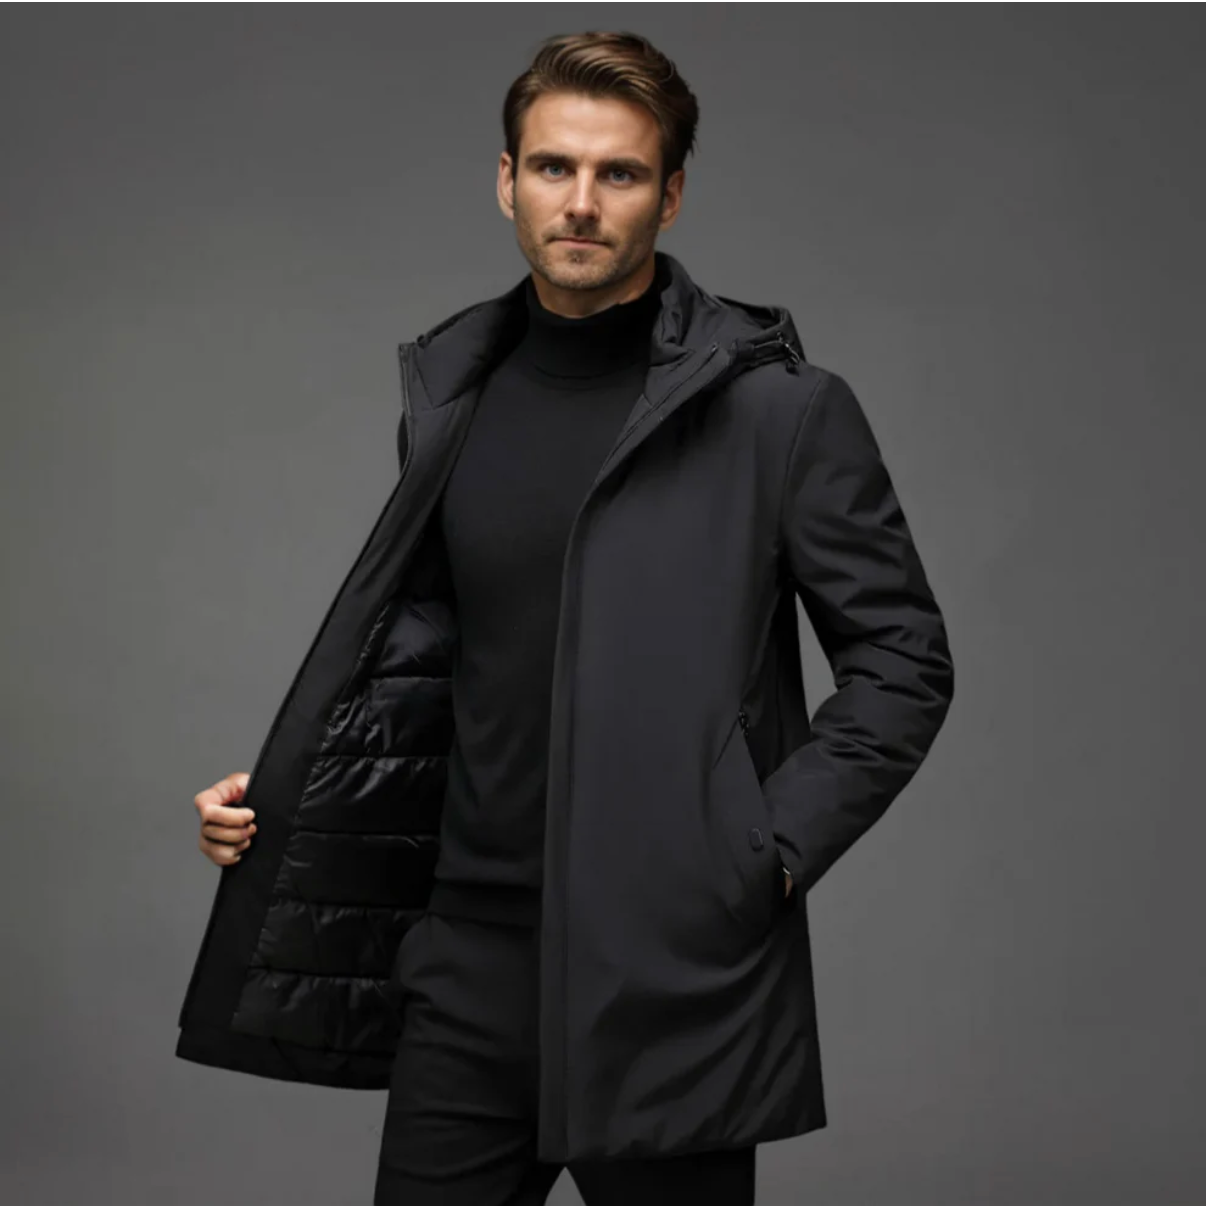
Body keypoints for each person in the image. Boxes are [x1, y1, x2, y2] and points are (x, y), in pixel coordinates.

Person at [182, 29, 955, 1206]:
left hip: (669, 973)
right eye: (553, 167)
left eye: (619, 173)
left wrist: (762, 856)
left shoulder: (782, 415)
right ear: (507, 181)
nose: (581, 202)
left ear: (671, 194)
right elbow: (448, 666)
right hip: (466, 970)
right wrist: (294, 792)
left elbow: (905, 661)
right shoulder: (457, 397)